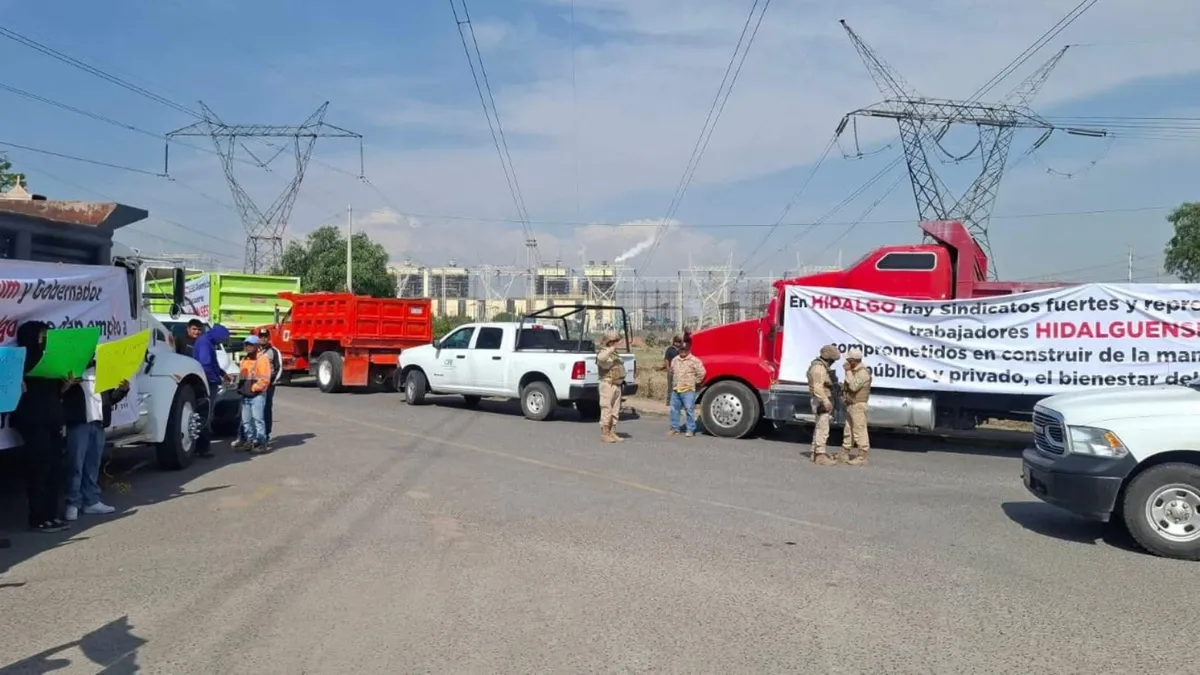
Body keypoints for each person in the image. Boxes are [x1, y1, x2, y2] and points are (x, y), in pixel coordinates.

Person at [13, 321, 73, 533]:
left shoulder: (50, 360)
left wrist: (67, 384)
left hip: (53, 420)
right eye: (41, 336)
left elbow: (58, 391)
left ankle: (51, 515)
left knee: (55, 468)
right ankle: (37, 518)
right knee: (38, 468)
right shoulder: (22, 360)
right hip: (33, 421)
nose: (44, 339)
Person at [63, 360, 129, 521]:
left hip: (98, 423)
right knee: (75, 465)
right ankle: (73, 503)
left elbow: (110, 399)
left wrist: (122, 390)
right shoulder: (72, 369)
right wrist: (68, 384)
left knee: (93, 464)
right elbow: (61, 394)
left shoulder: (102, 371)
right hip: (79, 422)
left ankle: (91, 501)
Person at [192, 323, 232, 457]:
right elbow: (206, 365)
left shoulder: (208, 342)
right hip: (207, 383)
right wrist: (216, 379)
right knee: (205, 415)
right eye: (222, 338)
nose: (221, 341)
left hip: (206, 381)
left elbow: (213, 364)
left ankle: (199, 447)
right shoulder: (205, 343)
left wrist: (222, 374)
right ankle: (202, 448)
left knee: (202, 414)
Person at [233, 335, 272, 453]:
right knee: (246, 421)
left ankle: (261, 443)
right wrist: (240, 387)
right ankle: (250, 441)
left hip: (257, 395)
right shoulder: (244, 359)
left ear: (256, 346)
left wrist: (254, 388)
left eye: (251, 345)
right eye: (246, 345)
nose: (248, 347)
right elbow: (242, 377)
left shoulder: (262, 359)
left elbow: (265, 378)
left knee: (258, 420)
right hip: (246, 395)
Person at [806, 344, 841, 467]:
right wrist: (825, 401)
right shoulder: (819, 368)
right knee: (823, 428)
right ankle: (820, 455)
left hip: (820, 399)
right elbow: (817, 387)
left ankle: (815, 452)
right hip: (820, 400)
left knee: (819, 426)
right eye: (832, 360)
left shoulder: (820, 366)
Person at [839, 347, 873, 466]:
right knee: (848, 429)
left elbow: (853, 387)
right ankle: (844, 453)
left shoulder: (862, 373)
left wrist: (848, 372)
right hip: (851, 404)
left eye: (849, 360)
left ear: (853, 360)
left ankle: (862, 456)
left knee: (859, 430)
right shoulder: (855, 371)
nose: (846, 362)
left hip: (858, 405)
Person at [667, 339, 706, 437]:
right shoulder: (675, 360)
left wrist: (695, 382)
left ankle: (690, 429)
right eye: (681, 349)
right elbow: (672, 370)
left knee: (689, 410)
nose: (683, 351)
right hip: (676, 389)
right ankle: (675, 428)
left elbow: (702, 373)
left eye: (685, 350)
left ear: (688, 350)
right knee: (674, 410)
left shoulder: (694, 361)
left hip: (688, 389)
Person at [595, 329, 627, 444]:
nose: (617, 343)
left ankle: (612, 431)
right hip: (607, 384)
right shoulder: (604, 352)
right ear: (609, 341)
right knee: (607, 409)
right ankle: (605, 433)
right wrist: (611, 348)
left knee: (615, 410)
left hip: (616, 384)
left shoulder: (614, 354)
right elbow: (601, 358)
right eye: (615, 341)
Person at [256, 328, 283, 443]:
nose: (263, 339)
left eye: (265, 336)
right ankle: (254, 434)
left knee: (266, 408)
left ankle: (266, 433)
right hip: (255, 385)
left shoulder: (274, 351)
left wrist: (271, 382)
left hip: (268, 386)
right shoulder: (253, 349)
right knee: (255, 409)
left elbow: (279, 368)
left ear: (269, 338)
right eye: (261, 336)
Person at [659, 335, 683, 405]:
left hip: (679, 371)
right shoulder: (670, 349)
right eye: (678, 342)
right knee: (670, 387)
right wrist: (668, 369)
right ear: (675, 342)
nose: (679, 343)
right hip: (671, 370)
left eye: (680, 342)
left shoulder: (681, 350)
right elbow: (666, 359)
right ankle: (669, 401)